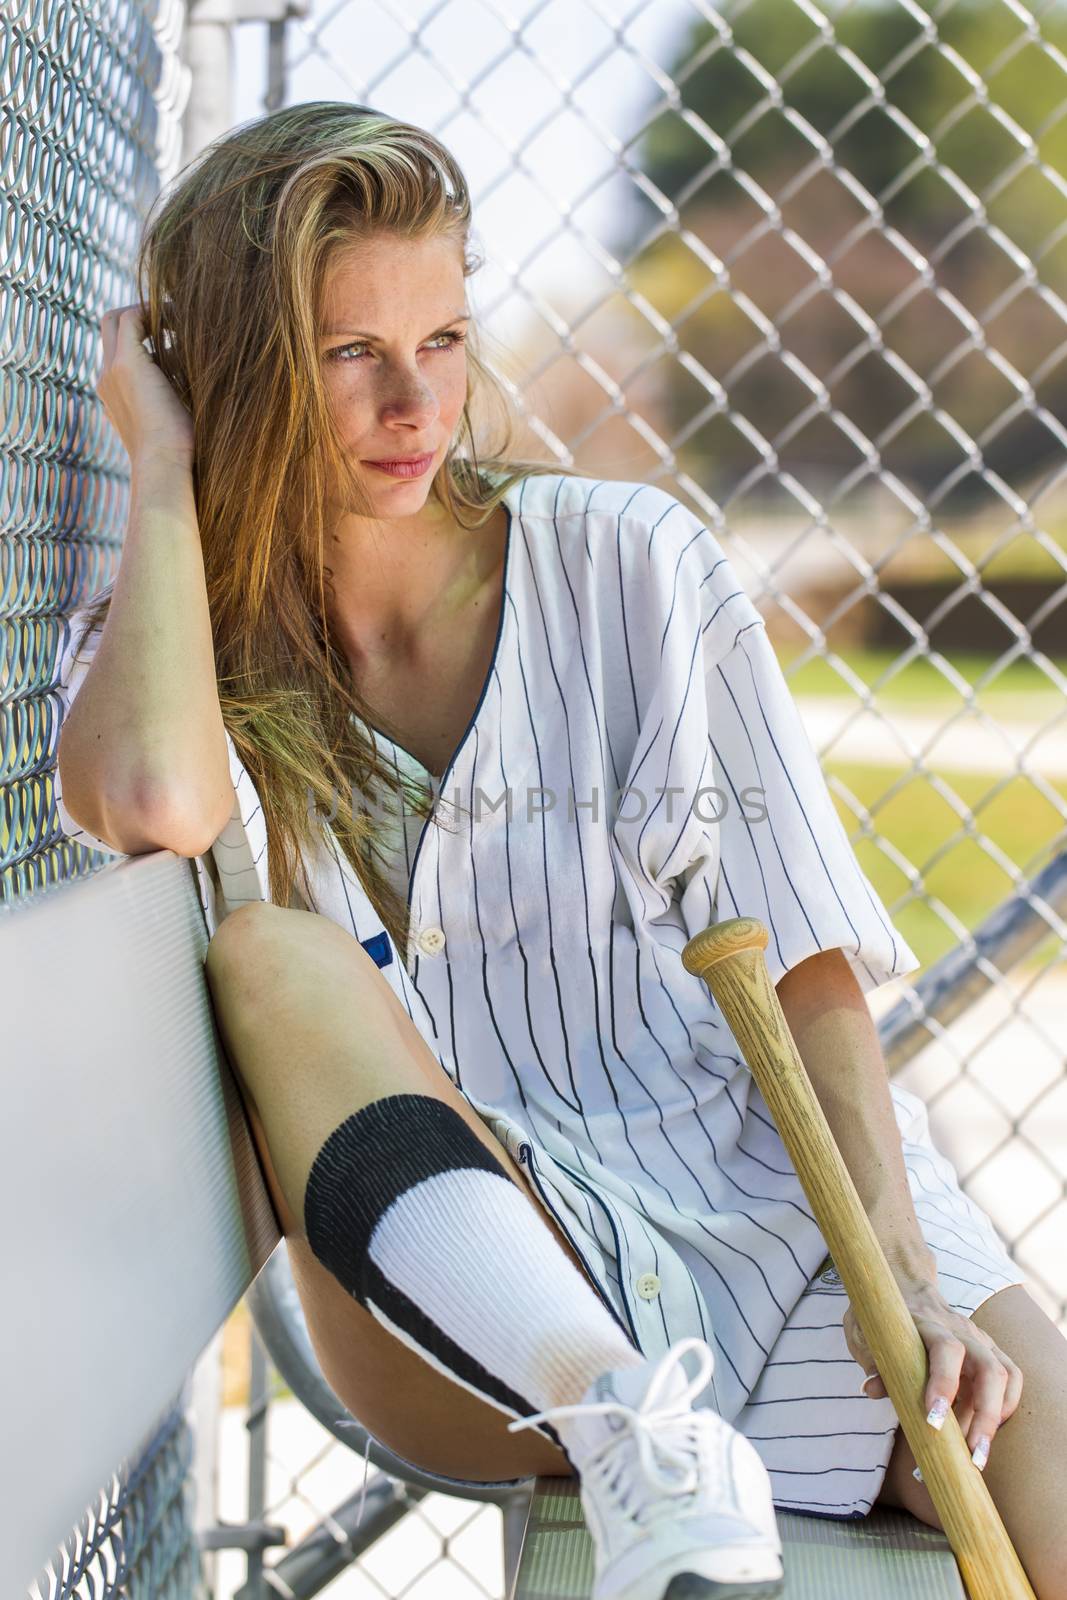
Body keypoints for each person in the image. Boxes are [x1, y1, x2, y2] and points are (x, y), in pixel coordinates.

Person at [54, 102, 1067, 1600]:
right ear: (243, 369)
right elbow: (148, 794)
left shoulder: (630, 559)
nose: (418, 404)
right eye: (350, 355)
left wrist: (904, 1279)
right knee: (278, 950)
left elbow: (805, 951)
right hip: (469, 1289)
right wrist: (157, 466)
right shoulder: (187, 636)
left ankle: (686, 1443)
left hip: (776, 1203)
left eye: (445, 340)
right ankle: (636, 1431)